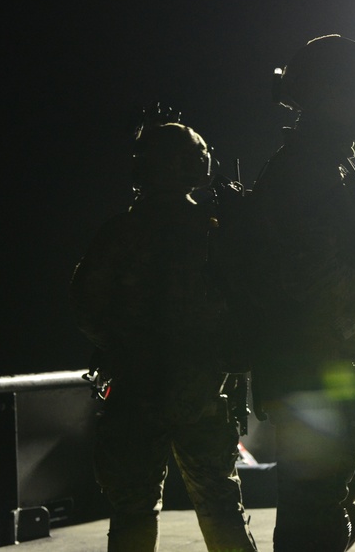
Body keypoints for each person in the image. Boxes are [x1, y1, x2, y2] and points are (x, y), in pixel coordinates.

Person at [220, 29, 355, 551]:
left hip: (324, 366)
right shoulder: (307, 175)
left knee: (327, 511)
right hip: (308, 370)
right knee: (314, 521)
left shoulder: (330, 167)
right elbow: (308, 282)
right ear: (329, 97)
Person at [70, 121, 257, 552]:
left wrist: (124, 346)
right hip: (205, 390)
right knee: (220, 507)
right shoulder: (215, 232)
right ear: (199, 167)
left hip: (136, 388)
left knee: (133, 512)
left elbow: (85, 305)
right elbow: (248, 304)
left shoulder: (118, 232)